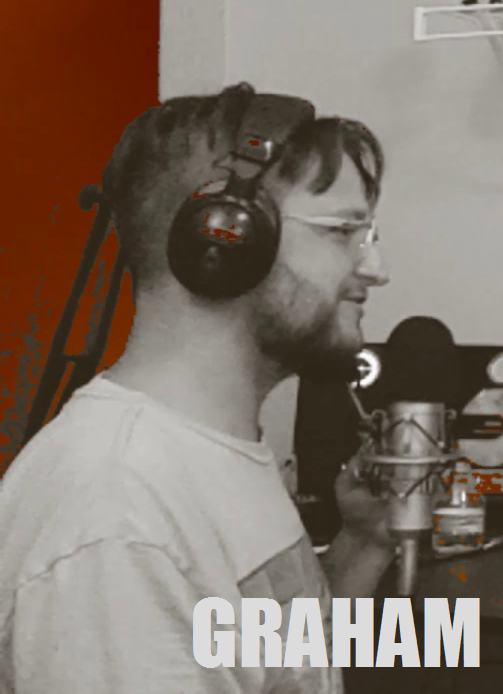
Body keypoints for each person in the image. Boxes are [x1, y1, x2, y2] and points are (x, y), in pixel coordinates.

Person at [0, 84, 397, 693]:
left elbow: (278, 664)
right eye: (343, 232)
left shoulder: (206, 454)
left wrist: (364, 543)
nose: (375, 269)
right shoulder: (118, 520)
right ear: (226, 236)